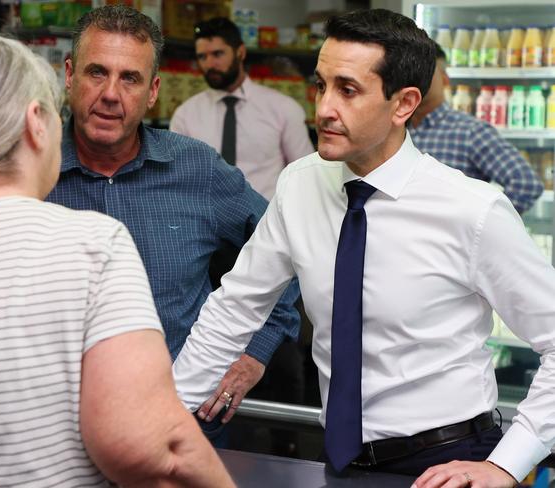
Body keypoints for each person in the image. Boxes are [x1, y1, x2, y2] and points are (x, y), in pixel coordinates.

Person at [173, 9, 555, 488]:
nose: (325, 108)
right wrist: (167, 423)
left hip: (447, 464)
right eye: (321, 85)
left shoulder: (471, 209)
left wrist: (506, 464)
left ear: (403, 104)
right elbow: (233, 312)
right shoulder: (300, 185)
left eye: (348, 90)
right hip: (341, 461)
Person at [0, 33, 234, 487]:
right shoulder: (92, 244)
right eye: (95, 72)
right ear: (36, 122)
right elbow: (154, 451)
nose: (110, 94)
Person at [45, 4, 300, 426]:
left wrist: (256, 351)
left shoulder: (197, 169)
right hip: (60, 429)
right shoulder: (31, 171)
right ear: (69, 75)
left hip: (182, 424)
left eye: (130, 78)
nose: (111, 93)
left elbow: (285, 249)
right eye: (97, 72)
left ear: (153, 91)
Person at [169, 16, 314, 200]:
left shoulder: (283, 109)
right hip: (208, 223)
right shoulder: (185, 115)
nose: (209, 64)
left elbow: (306, 175)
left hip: (267, 222)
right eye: (202, 57)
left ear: (241, 52)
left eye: (218, 54)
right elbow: (178, 180)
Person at [409, 42, 543, 215]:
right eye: (410, 71)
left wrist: (478, 224)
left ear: (444, 79)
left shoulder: (470, 132)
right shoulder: (393, 128)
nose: (415, 79)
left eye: (425, 71)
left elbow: (526, 184)